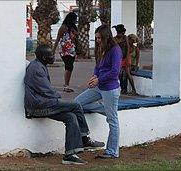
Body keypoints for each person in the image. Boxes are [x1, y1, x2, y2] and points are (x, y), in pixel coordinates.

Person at [24, 44, 104, 165]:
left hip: (44, 104)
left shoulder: (40, 65)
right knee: (75, 105)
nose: (53, 57)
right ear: (44, 57)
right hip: (38, 106)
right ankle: (84, 139)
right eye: (51, 55)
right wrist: (59, 98)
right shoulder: (36, 68)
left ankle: (69, 155)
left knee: (71, 117)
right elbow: (46, 91)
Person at [74, 25, 122, 159]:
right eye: (96, 38)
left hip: (110, 89)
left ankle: (112, 151)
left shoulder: (115, 50)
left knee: (112, 120)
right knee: (76, 103)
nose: (98, 40)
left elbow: (115, 72)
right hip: (99, 86)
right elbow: (97, 66)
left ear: (107, 37)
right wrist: (94, 76)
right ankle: (103, 108)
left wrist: (99, 80)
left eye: (100, 38)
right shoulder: (100, 48)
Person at [52, 12, 78, 92]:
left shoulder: (73, 27)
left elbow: (77, 35)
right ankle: (66, 86)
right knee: (69, 66)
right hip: (65, 51)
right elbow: (57, 39)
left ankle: (67, 85)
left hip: (72, 50)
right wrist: (53, 51)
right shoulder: (63, 27)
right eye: (74, 19)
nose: (75, 21)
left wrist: (73, 30)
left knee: (70, 67)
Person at [113, 24, 137, 95]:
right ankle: (122, 89)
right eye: (120, 33)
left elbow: (128, 48)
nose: (122, 34)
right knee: (119, 74)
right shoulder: (114, 39)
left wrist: (127, 58)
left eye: (123, 33)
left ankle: (134, 89)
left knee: (128, 74)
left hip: (126, 57)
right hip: (119, 58)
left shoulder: (125, 38)